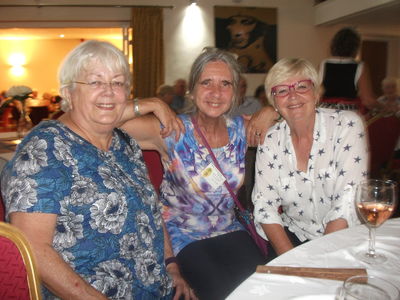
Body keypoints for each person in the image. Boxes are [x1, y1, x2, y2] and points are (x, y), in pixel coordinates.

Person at [1, 40, 193, 300]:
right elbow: (33, 248)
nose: (109, 92)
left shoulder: (124, 144)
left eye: (117, 83)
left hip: (158, 289)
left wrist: (171, 265)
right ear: (68, 93)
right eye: (95, 82)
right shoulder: (44, 150)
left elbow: (149, 215)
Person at [121, 47, 277, 300]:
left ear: (236, 92)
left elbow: (300, 120)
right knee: (221, 292)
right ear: (191, 90)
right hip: (183, 235)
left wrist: (273, 111)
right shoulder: (172, 131)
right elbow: (102, 120)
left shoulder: (243, 131)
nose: (216, 92)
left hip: (230, 229)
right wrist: (153, 103)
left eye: (225, 84)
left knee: (263, 291)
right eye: (207, 83)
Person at [253, 58, 368, 259]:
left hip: (343, 238)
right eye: (282, 90)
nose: (293, 95)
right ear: (274, 102)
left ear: (316, 93)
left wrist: (319, 261)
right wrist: (289, 260)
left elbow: (348, 201)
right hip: (294, 237)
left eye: (302, 86)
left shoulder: (346, 126)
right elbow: (265, 204)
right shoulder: (270, 139)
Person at [319, 27, 380, 112]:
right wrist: (384, 107)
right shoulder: (360, 66)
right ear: (355, 47)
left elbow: (317, 93)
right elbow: (368, 100)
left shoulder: (323, 64)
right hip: (348, 114)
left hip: (325, 112)